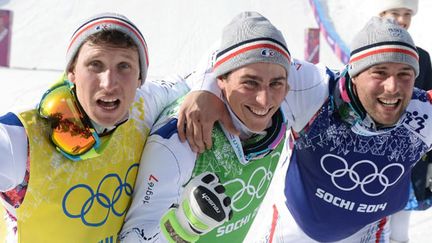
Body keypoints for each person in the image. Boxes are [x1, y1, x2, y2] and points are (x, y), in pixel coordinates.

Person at [178, 16, 432, 242]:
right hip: (296, 229)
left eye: (404, 74)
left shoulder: (423, 113)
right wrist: (204, 88)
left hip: (368, 231)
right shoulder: (314, 88)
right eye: (380, 72)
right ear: (354, 73)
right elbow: (244, 48)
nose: (392, 87)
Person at [119, 11, 326, 243]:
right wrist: (184, 228)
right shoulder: (183, 137)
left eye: (276, 84)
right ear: (221, 79)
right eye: (250, 83)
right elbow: (132, 238)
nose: (264, 100)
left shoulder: (282, 114)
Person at [0, 13, 190, 242]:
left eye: (124, 66)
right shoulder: (21, 138)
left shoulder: (144, 106)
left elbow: (194, 76)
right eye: (95, 65)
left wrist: (203, 95)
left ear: (140, 78)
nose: (109, 83)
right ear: (72, 71)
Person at [376, 1, 432, 242]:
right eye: (395, 13)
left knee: (399, 232)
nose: (402, 19)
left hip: (410, 160)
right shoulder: (371, 51)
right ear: (382, 14)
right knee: (368, 226)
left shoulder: (422, 57)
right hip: (373, 157)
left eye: (407, 13)